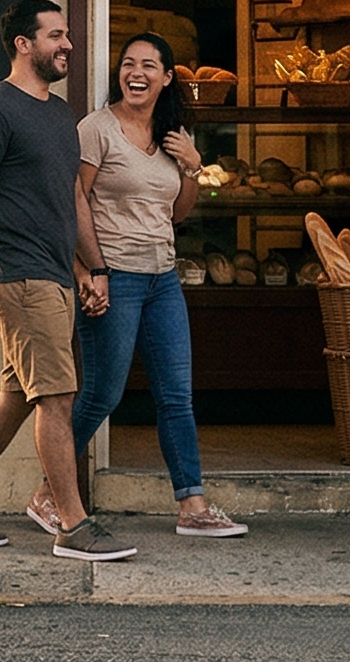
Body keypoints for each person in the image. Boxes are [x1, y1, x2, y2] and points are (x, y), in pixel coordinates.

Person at [0, 0, 138, 563]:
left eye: (66, 35)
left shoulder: (59, 115)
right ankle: (73, 524)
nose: (68, 45)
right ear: (24, 43)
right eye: (56, 36)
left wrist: (91, 268)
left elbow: (67, 200)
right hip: (19, 275)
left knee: (19, 394)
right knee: (58, 399)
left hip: (55, 275)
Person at [28, 33, 249, 539]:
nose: (137, 72)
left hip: (162, 277)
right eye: (129, 63)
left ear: (167, 78)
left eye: (150, 65)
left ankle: (192, 505)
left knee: (176, 395)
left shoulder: (174, 133)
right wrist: (92, 270)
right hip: (116, 276)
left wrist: (193, 165)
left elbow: (178, 213)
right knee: (102, 394)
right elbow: (74, 201)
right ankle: (48, 493)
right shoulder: (96, 129)